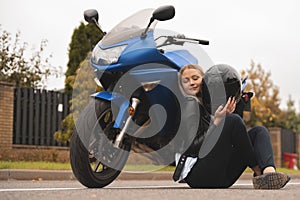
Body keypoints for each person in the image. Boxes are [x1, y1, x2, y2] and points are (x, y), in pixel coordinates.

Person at [174, 63, 290, 189]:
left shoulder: (211, 103)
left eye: (195, 78)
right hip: (198, 176)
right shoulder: (189, 104)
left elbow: (238, 138)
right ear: (181, 86)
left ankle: (269, 173)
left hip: (223, 178)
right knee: (233, 120)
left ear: (204, 79)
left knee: (259, 131)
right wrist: (218, 121)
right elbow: (192, 147)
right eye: (186, 80)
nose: (191, 82)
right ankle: (258, 171)